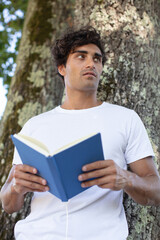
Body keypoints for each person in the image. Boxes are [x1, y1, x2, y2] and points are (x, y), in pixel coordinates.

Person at [1, 26, 160, 240]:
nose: (90, 64)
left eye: (97, 58)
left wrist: (127, 179)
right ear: (62, 68)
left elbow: (156, 190)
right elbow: (9, 205)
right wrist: (15, 187)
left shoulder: (125, 119)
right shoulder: (34, 125)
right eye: (80, 56)